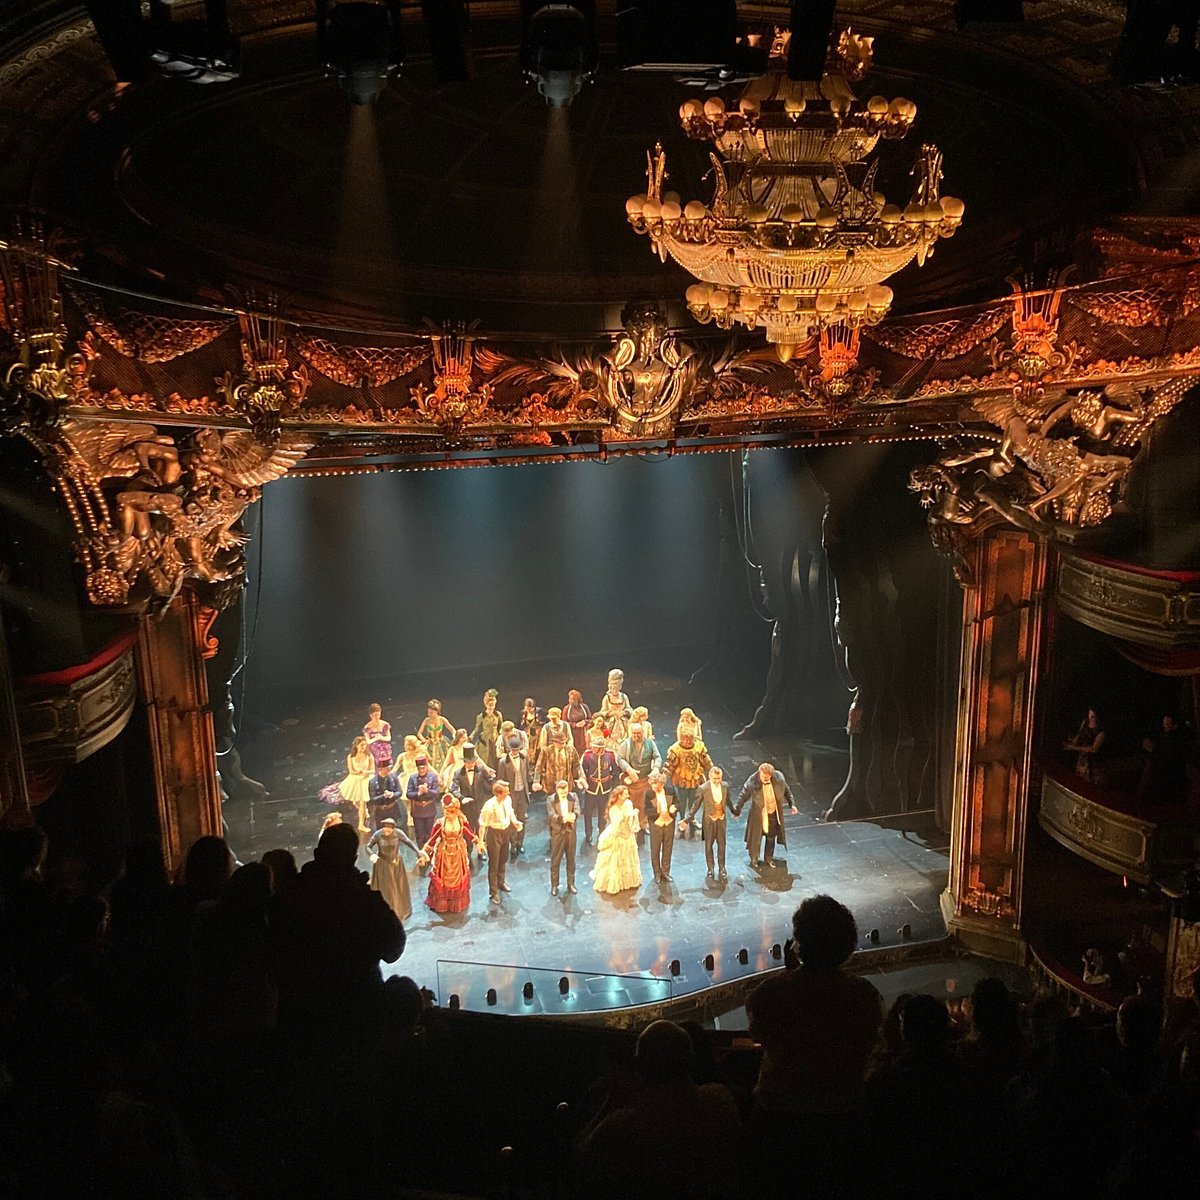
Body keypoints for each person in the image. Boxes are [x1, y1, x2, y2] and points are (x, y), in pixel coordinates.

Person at [744, 896, 883, 1190]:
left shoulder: (771, 993)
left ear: (799, 942)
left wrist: (789, 975)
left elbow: (759, 1032)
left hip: (780, 1119)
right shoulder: (864, 995)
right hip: (843, 1120)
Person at [269, 822, 406, 1036]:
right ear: (352, 859)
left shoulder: (289, 894)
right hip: (357, 1015)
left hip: (300, 1018)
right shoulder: (363, 901)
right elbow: (394, 948)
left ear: (316, 853)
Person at [418, 796, 483, 914]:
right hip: (444, 853)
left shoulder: (461, 821)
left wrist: (479, 843)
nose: (448, 813)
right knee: (443, 878)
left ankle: (455, 904)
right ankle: (442, 904)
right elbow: (432, 840)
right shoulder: (440, 823)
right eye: (446, 811)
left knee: (458, 877)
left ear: (456, 811)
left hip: (458, 853)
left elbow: (470, 833)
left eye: (451, 811)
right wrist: (423, 853)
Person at [735, 762, 798, 869]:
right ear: (760, 773)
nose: (765, 779)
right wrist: (737, 810)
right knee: (756, 838)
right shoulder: (752, 781)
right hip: (759, 814)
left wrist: (792, 804)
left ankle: (768, 858)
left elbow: (786, 790)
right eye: (764, 777)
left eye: (768, 777)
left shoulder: (779, 778)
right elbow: (743, 795)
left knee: (771, 837)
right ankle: (754, 858)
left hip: (773, 813)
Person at [580, 733, 636, 846]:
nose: (593, 749)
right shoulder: (587, 756)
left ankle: (601, 830)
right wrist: (584, 782)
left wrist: (613, 787)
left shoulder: (610, 756)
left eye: (596, 747)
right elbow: (582, 770)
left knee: (603, 812)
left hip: (605, 789)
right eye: (593, 746)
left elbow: (615, 772)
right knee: (588, 812)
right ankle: (588, 833)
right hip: (591, 788)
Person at [476, 781, 523, 905]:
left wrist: (515, 822)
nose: (508, 793)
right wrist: (480, 842)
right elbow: (482, 825)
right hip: (494, 834)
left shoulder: (507, 800)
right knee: (494, 864)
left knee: (503, 859)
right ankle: (493, 891)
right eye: (505, 792)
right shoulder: (489, 806)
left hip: (505, 832)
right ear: (498, 793)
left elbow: (511, 813)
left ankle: (501, 883)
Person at [590, 785, 642, 895]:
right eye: (625, 794)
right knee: (615, 858)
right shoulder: (613, 809)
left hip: (628, 835)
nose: (628, 795)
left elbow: (630, 819)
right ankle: (615, 884)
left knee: (628, 858)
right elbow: (616, 825)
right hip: (618, 835)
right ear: (619, 796)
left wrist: (633, 816)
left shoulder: (628, 803)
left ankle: (629, 882)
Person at [366, 818, 420, 922]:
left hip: (396, 863)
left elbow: (408, 842)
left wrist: (418, 852)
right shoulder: (378, 834)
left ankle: (399, 910)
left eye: (389, 830)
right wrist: (372, 855)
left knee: (397, 886)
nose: (387, 832)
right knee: (387, 888)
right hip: (383, 863)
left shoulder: (398, 833)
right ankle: (387, 909)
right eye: (385, 829)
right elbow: (368, 846)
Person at [318, 736, 374, 833]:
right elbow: (351, 771)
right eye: (361, 745)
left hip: (364, 780)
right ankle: (364, 811)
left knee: (362, 802)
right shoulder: (351, 757)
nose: (363, 747)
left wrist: (366, 772)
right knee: (356, 801)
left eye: (365, 745)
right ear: (356, 746)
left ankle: (361, 824)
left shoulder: (369, 756)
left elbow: (372, 769)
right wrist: (359, 772)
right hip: (355, 779)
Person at [686, 765, 731, 881]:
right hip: (709, 821)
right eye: (714, 778)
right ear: (709, 777)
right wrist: (688, 818)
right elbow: (696, 804)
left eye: (719, 778)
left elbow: (728, 801)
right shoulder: (703, 788)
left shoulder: (725, 786)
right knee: (708, 845)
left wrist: (735, 811)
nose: (717, 781)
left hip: (721, 820)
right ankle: (710, 868)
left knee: (722, 845)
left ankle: (722, 867)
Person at [450, 743, 497, 852]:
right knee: (468, 832)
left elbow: (491, 782)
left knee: (481, 829)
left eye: (473, 762)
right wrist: (462, 798)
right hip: (467, 809)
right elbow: (453, 789)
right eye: (468, 762)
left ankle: (481, 851)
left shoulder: (480, 770)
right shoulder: (458, 773)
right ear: (464, 762)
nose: (471, 764)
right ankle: (469, 853)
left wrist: (497, 788)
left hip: (480, 805)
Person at [664, 730, 713, 832]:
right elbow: (669, 764)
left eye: (690, 739)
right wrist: (664, 776)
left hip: (695, 778)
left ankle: (691, 819)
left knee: (694, 801)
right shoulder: (675, 750)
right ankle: (682, 819)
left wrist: (711, 770)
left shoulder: (699, 747)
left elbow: (706, 760)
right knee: (681, 801)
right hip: (681, 779)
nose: (688, 741)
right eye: (685, 739)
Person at [1138, 713, 1193, 803]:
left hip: (1173, 775)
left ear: (1175, 725)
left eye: (1167, 724)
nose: (1164, 726)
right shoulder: (1164, 736)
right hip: (1163, 774)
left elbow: (1169, 755)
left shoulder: (1177, 739)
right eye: (1164, 724)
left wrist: (1153, 750)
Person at [496, 734, 533, 858]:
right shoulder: (503, 762)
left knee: (521, 819)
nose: (516, 752)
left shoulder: (524, 758)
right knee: (511, 820)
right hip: (510, 795)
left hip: (522, 792)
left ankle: (520, 843)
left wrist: (531, 787)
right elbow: (500, 780)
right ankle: (512, 844)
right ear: (509, 749)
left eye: (517, 749)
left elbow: (527, 773)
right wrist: (503, 796)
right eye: (513, 750)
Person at [620, 721, 662, 826]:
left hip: (645, 780)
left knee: (644, 804)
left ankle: (643, 824)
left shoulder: (650, 743)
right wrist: (629, 769)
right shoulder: (626, 744)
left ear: (643, 732)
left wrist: (656, 768)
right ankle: (631, 824)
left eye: (638, 733)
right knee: (630, 803)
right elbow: (620, 759)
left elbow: (657, 757)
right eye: (634, 733)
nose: (636, 735)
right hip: (632, 782)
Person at [547, 777, 581, 897]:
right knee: (555, 860)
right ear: (557, 790)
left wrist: (574, 816)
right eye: (561, 792)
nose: (564, 794)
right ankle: (554, 885)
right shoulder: (551, 799)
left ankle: (571, 883)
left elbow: (577, 809)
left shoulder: (573, 796)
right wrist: (562, 819)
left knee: (571, 858)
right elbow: (552, 815)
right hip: (558, 833)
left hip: (570, 832)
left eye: (565, 791)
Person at [643, 771, 677, 884]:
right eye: (653, 786)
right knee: (655, 850)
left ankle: (666, 872)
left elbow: (678, 802)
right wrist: (655, 812)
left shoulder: (670, 790)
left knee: (668, 849)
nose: (655, 789)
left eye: (657, 787)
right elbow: (646, 811)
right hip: (656, 824)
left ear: (662, 784)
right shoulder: (649, 794)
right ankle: (657, 874)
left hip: (669, 823)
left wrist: (674, 807)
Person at [533, 725, 586, 796]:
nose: (562, 745)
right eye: (560, 743)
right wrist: (536, 781)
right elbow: (538, 767)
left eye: (564, 742)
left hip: (566, 784)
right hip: (551, 785)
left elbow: (577, 765)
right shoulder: (546, 751)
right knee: (552, 804)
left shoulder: (571, 750)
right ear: (554, 742)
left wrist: (582, 777)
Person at [1064, 706, 1107, 784]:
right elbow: (1079, 735)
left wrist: (1074, 747)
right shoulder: (1085, 724)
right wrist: (1072, 742)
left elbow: (1093, 749)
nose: (1092, 718)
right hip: (1082, 761)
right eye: (1091, 715)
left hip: (1093, 764)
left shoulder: (1101, 731)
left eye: (1094, 716)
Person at [407, 755, 441, 848]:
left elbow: (436, 793)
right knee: (419, 834)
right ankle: (421, 853)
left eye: (423, 768)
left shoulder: (432, 777)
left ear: (426, 766)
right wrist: (418, 793)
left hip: (429, 809)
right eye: (419, 768)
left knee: (430, 834)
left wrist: (427, 791)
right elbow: (408, 794)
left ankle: (429, 853)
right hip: (418, 810)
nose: (421, 770)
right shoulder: (412, 778)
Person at [417, 699, 455, 774]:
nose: (429, 714)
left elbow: (452, 729)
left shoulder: (442, 719)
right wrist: (423, 740)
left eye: (431, 713)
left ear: (437, 712)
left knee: (445, 759)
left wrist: (454, 737)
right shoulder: (427, 720)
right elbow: (419, 733)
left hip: (441, 742)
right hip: (430, 743)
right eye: (428, 712)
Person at [470, 689, 503, 771]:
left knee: (496, 757)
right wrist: (471, 735)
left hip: (496, 739)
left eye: (493, 705)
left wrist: (501, 737)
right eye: (489, 705)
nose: (491, 707)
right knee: (486, 758)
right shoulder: (482, 716)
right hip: (485, 740)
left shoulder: (498, 714)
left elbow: (501, 727)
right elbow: (477, 728)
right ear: (486, 705)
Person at [598, 668, 632, 744]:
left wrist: (624, 712)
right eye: (613, 689)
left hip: (622, 722)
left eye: (616, 689)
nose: (614, 691)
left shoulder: (624, 697)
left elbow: (629, 708)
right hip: (611, 722)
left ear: (620, 687)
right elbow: (603, 711)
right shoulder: (607, 698)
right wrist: (612, 713)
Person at [368, 760, 404, 831]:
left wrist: (393, 795)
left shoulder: (393, 777)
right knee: (381, 832)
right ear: (380, 769)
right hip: (380, 811)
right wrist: (383, 796)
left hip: (393, 809)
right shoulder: (373, 781)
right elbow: (372, 799)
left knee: (394, 831)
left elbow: (399, 792)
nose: (388, 769)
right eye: (386, 768)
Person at [363, 702, 393, 768]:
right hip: (374, 750)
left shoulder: (385, 724)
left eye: (378, 714)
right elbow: (368, 741)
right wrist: (375, 739)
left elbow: (389, 738)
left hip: (385, 749)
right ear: (371, 715)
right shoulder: (367, 727)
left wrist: (381, 737)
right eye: (375, 715)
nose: (377, 717)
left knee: (387, 766)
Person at [564, 688, 592, 756]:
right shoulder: (567, 709)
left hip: (583, 732)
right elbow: (564, 723)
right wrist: (575, 725)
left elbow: (590, 719)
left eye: (573, 699)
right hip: (573, 732)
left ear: (578, 700)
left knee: (584, 749)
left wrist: (585, 722)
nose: (571, 701)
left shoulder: (584, 707)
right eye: (570, 699)